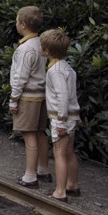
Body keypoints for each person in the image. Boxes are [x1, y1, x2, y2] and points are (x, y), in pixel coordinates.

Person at [9, 6, 51, 187]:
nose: (16, 24)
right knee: (40, 132)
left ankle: (30, 175)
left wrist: (13, 99)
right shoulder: (42, 44)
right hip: (42, 95)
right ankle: (43, 170)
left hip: (27, 97)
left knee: (29, 134)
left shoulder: (25, 48)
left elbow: (20, 77)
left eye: (17, 21)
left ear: (23, 25)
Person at [40, 29, 80, 202]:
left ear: (47, 51)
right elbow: (72, 95)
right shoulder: (67, 67)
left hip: (61, 118)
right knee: (69, 152)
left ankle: (60, 191)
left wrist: (61, 121)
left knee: (59, 154)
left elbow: (63, 96)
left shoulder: (54, 71)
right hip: (72, 115)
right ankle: (72, 185)